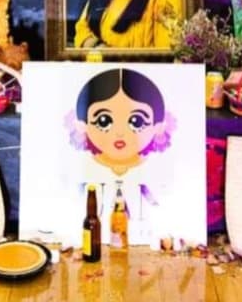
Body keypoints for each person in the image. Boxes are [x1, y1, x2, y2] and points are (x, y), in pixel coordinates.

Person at [67, 68, 174, 247]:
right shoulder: (80, 168)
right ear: (82, 125)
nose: (119, 132)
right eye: (104, 121)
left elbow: (160, 206)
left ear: (158, 127)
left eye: (136, 121)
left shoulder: (157, 169)